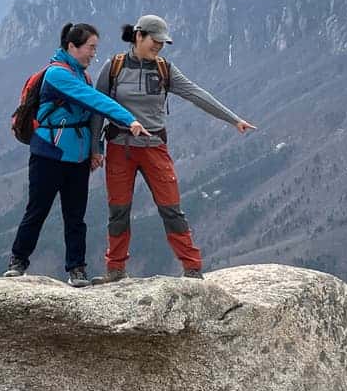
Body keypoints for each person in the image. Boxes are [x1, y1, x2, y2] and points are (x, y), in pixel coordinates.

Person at [90, 14, 255, 283]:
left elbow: (196, 93)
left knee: (171, 207)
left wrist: (233, 119)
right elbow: (97, 108)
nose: (158, 47)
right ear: (139, 36)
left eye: (162, 43)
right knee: (118, 209)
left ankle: (192, 268)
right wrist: (96, 147)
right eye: (154, 41)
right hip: (120, 148)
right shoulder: (114, 67)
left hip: (154, 146)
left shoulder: (165, 69)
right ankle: (115, 270)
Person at [4, 22, 149, 286]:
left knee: (75, 217)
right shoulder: (58, 76)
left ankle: (76, 269)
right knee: (37, 210)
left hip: (77, 159)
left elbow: (91, 116)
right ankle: (18, 261)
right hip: (49, 154)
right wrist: (128, 119)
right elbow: (94, 101)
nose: (94, 53)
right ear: (72, 47)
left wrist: (95, 150)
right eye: (90, 47)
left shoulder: (82, 75)